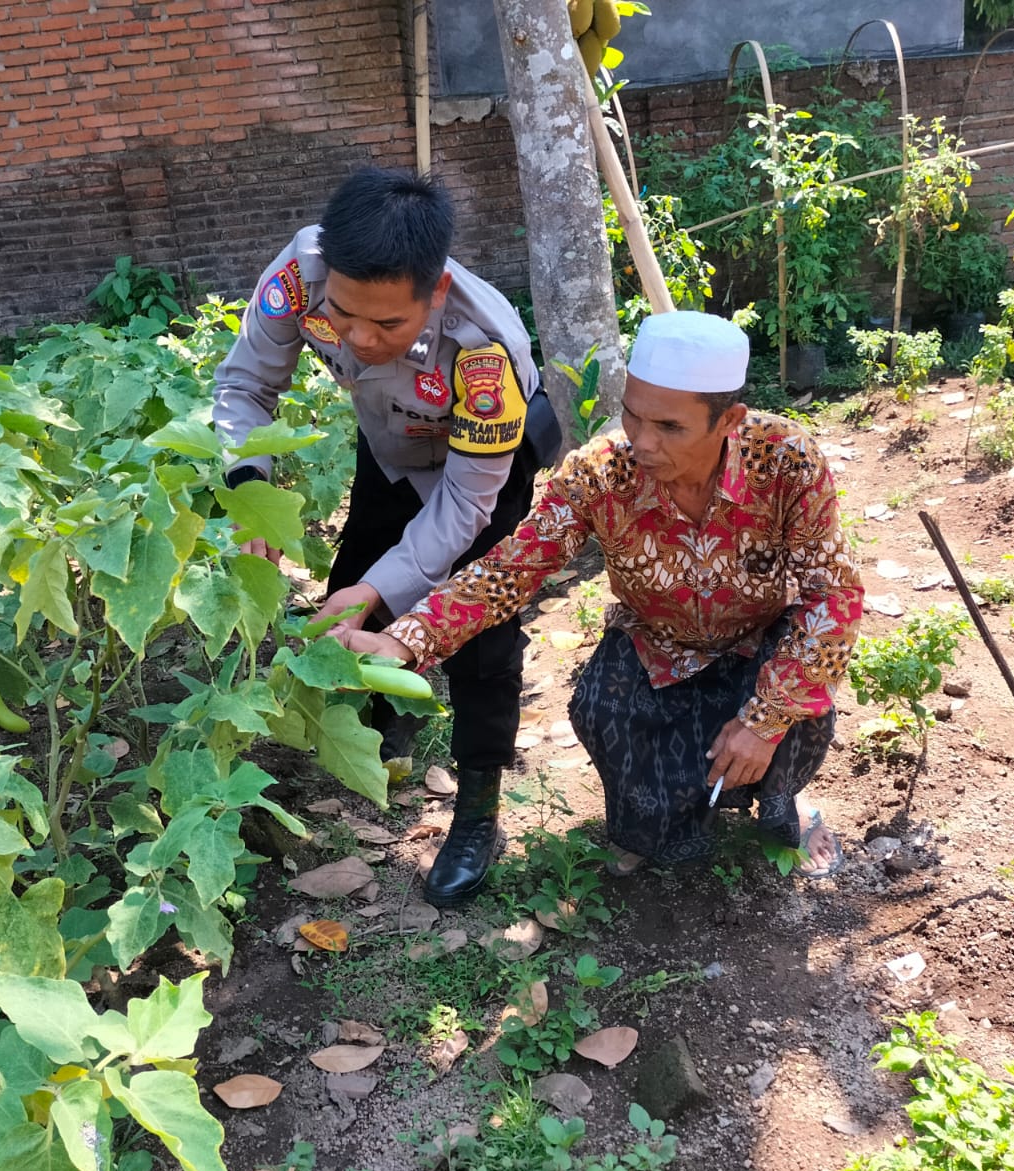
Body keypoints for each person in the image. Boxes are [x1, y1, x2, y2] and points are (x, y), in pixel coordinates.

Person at [336, 310, 862, 878]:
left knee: (799, 709)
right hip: (659, 646)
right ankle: (674, 816)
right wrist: (408, 638)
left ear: (728, 420)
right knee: (603, 713)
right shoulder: (602, 472)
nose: (643, 443)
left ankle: (786, 796)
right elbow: (513, 567)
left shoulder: (785, 459)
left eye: (670, 427)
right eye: (632, 415)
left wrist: (763, 720)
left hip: (761, 640)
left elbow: (832, 594)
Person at [212, 166, 560, 907]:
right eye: (344, 316)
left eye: (388, 326)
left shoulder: (484, 351)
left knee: (482, 635)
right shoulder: (301, 274)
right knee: (352, 584)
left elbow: (463, 504)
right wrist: (249, 490)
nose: (362, 339)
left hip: (481, 470)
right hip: (391, 445)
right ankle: (385, 725)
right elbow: (245, 385)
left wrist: (384, 588)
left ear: (436, 293)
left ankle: (478, 809)